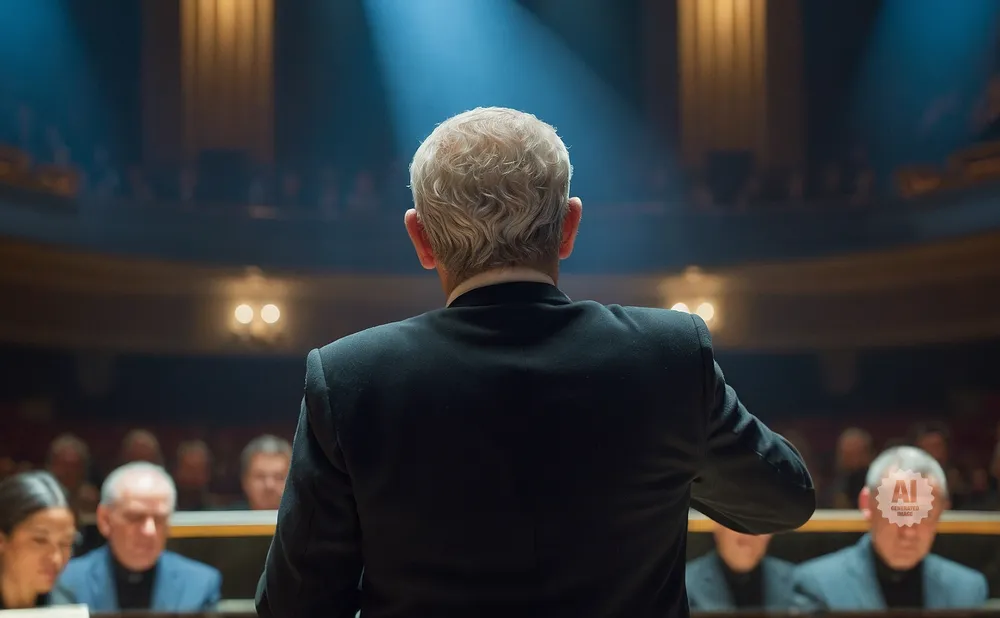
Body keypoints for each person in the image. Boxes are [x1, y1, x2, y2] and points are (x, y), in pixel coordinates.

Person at [256, 106, 815, 618]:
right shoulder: (667, 356)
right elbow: (783, 501)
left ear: (421, 239)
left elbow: (293, 608)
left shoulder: (351, 377)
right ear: (570, 228)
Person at [792, 446, 988, 610]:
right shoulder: (817, 584)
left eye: (924, 514)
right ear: (866, 503)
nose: (909, 531)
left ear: (942, 511)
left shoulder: (968, 589)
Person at [58, 462, 221, 611]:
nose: (149, 531)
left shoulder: (199, 584)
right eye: (135, 517)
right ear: (105, 519)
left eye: (159, 519)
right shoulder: (67, 582)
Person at [0, 471, 77, 609]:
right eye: (40, 540)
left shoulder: (67, 607)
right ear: (2, 540)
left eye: (65, 543)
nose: (56, 559)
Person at [685, 524, 794, 611]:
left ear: (770, 533)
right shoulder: (683, 585)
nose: (747, 534)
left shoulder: (794, 581)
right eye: (737, 524)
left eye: (756, 523)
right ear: (718, 528)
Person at [236, 435, 291, 511]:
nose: (269, 485)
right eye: (260, 476)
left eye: (279, 477)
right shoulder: (224, 520)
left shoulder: (306, 520)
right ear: (245, 481)